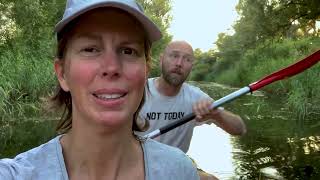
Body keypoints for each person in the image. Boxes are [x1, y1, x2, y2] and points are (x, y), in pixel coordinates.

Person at [0, 1, 200, 180]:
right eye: (91, 49)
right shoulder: (16, 174)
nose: (111, 67)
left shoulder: (180, 171)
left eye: (128, 51)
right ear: (62, 74)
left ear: (145, 70)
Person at [137, 40, 247, 179]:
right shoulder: (137, 91)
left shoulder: (195, 97)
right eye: (174, 56)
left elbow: (240, 129)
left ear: (191, 66)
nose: (179, 63)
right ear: (161, 59)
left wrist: (217, 114)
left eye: (187, 59)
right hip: (137, 164)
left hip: (175, 165)